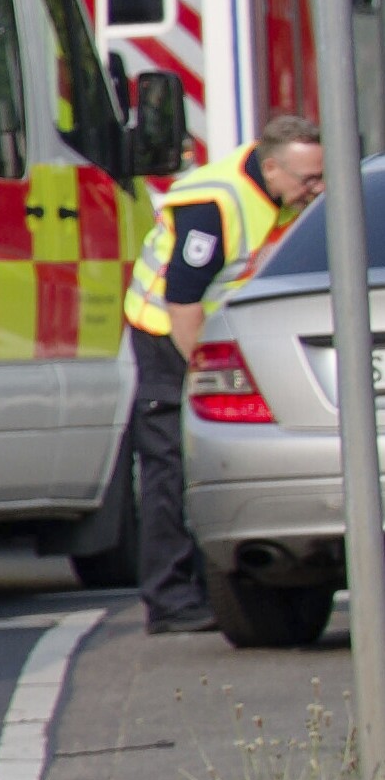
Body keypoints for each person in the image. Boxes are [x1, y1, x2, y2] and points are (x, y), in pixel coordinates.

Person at [123, 118, 323, 631]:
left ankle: (203, 589)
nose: (315, 189)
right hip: (170, 338)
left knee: (206, 462)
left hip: (218, 342)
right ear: (271, 166)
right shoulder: (214, 205)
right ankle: (169, 601)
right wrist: (203, 376)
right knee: (169, 464)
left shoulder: (282, 194)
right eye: (306, 180)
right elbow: (183, 303)